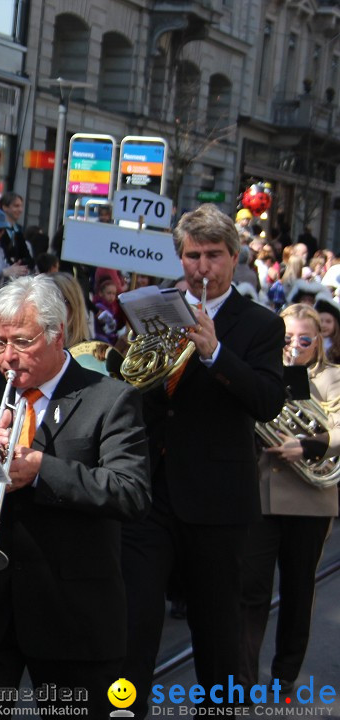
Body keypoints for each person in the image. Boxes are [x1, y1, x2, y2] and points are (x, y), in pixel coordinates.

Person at [0, 275, 149, 718]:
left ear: (56, 334)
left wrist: (44, 470)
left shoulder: (110, 398)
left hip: (74, 616)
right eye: (0, 341)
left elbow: (132, 493)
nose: (8, 357)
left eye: (22, 342)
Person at [121, 203, 286, 717]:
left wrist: (215, 354)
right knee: (134, 624)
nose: (202, 267)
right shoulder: (155, 304)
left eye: (214, 255)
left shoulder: (259, 323)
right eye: (193, 255)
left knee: (216, 633)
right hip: (153, 489)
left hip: (217, 501)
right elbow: (138, 389)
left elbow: (267, 400)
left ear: (234, 258)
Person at [239, 304, 339, 695]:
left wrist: (309, 445)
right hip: (263, 495)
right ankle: (243, 680)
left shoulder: (332, 378)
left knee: (298, 589)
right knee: (251, 589)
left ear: (318, 342)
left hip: (311, 499)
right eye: (285, 340)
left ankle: (284, 675)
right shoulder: (263, 372)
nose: (293, 348)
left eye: (303, 340)